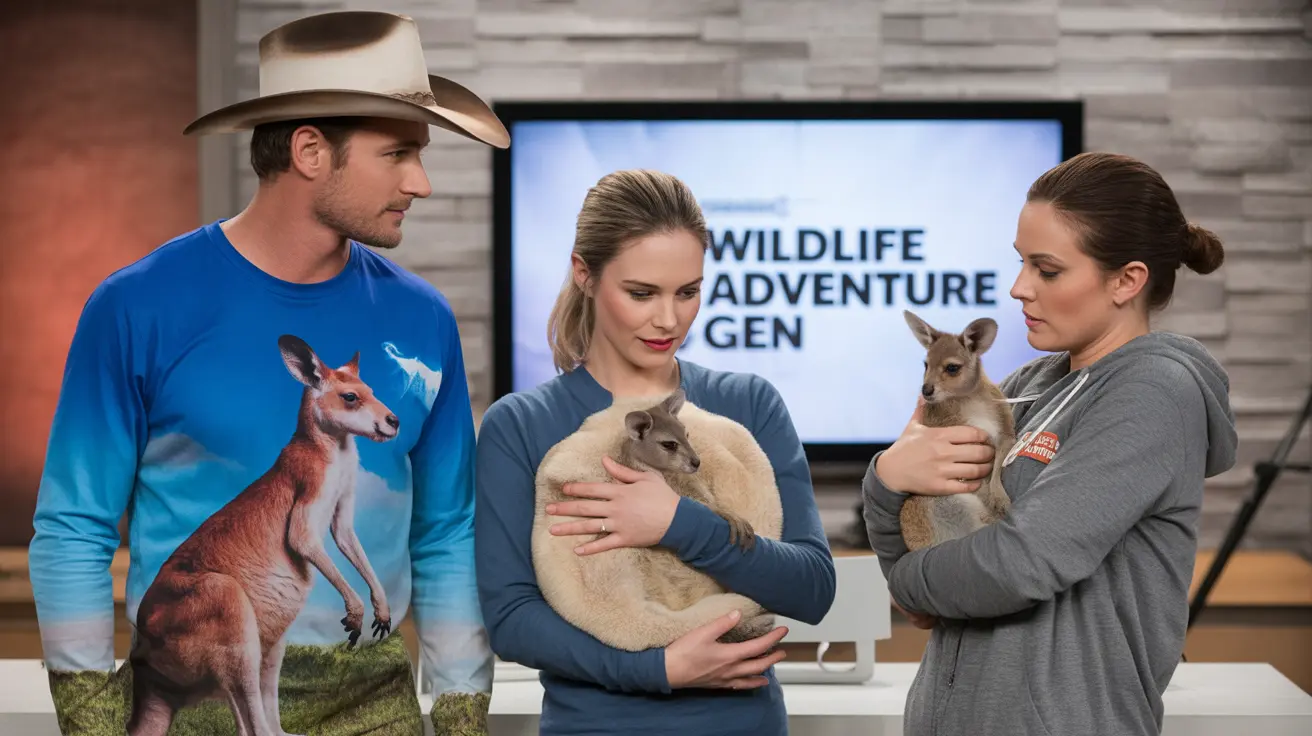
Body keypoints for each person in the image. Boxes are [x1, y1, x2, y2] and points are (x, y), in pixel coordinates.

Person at [27, 11, 509, 736]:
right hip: (197, 699)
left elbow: (445, 532)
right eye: (399, 153)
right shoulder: (138, 305)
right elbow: (73, 527)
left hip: (376, 709)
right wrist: (92, 722)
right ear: (312, 151)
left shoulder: (422, 316)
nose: (423, 182)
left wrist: (462, 715)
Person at [862, 151, 1239, 736]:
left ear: (1126, 280)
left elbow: (1020, 566)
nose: (1018, 289)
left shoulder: (1154, 392)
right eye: (1020, 264)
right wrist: (885, 480)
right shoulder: (1025, 388)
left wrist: (910, 586)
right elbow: (920, 524)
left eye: (1047, 270)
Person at [474, 169, 837, 735]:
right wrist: (656, 668)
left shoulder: (749, 403)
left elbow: (813, 587)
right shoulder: (521, 425)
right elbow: (512, 618)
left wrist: (677, 522)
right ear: (584, 275)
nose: (669, 320)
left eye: (688, 292)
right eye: (641, 293)